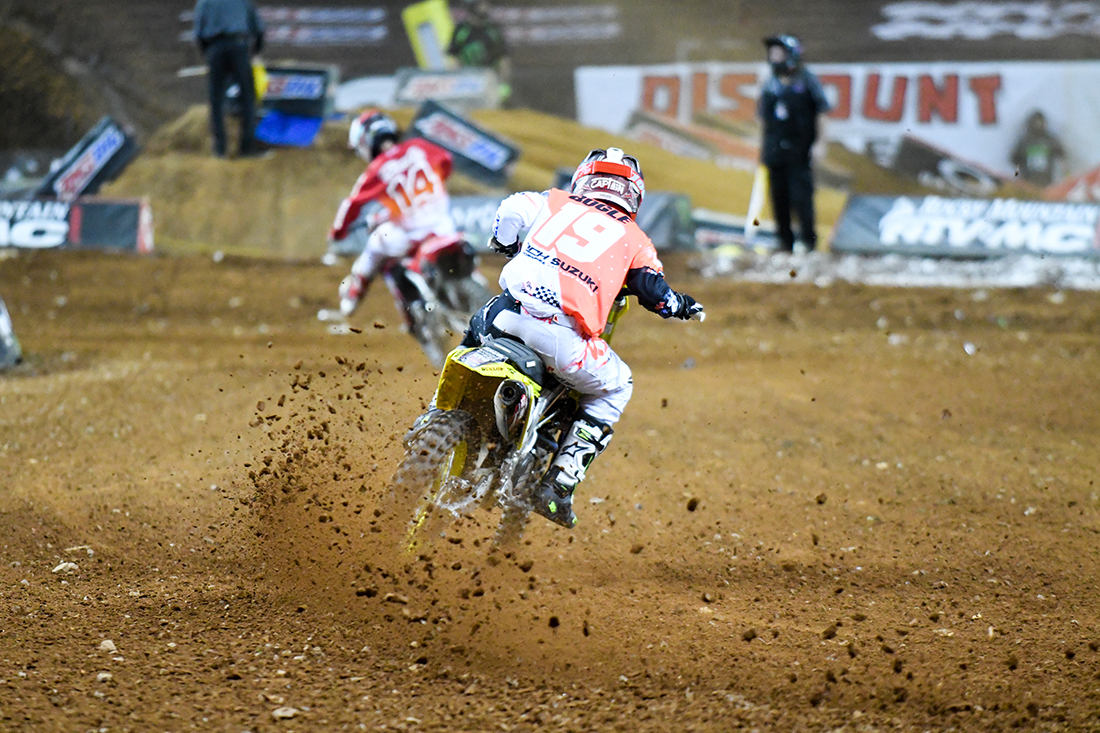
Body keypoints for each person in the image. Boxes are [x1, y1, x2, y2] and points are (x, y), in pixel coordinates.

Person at [467, 148, 704, 528]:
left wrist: (506, 245)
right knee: (617, 386)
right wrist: (680, 305)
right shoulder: (634, 239)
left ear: (583, 180)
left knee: (472, 333)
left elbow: (510, 209)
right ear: (634, 195)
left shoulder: (554, 202)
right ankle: (559, 485)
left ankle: (435, 414)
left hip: (503, 315)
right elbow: (652, 288)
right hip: (561, 339)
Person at [332, 110, 458, 320]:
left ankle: (354, 294)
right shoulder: (418, 146)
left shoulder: (377, 169)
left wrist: (337, 232)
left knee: (375, 244)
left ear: (366, 142)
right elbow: (446, 160)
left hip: (410, 236)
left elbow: (351, 204)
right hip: (444, 226)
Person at [757, 34, 830, 252]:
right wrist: (763, 149)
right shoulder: (769, 83)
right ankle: (784, 242)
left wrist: (820, 143)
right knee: (778, 198)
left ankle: (809, 242)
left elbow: (821, 112)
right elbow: (764, 119)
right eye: (772, 54)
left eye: (778, 53)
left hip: (800, 151)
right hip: (775, 151)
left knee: (801, 197)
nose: (774, 58)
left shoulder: (807, 80)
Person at [193, 0, 265, 158]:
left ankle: (219, 149)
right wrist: (255, 52)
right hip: (238, 46)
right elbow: (259, 29)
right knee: (247, 97)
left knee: (216, 100)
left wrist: (208, 53)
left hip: (214, 48)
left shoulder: (204, 3)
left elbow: (198, 33)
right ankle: (247, 148)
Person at [448, 0, 512, 103]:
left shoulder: (493, 29)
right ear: (472, 6)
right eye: (482, 4)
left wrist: (503, 83)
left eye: (486, 4)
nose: (485, 8)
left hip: (489, 78)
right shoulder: (461, 30)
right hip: (466, 79)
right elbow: (453, 58)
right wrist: (454, 81)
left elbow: (503, 59)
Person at [1011, 110, 1066, 187]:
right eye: (1035, 122)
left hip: (1047, 181)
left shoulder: (1049, 140)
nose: (1038, 125)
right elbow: (1014, 158)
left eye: (1040, 122)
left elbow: (1061, 153)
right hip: (1028, 181)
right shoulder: (1025, 141)